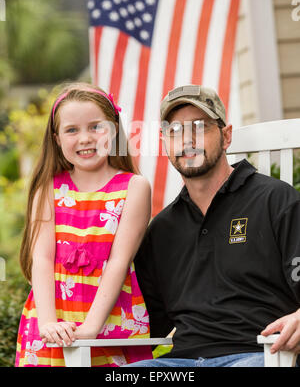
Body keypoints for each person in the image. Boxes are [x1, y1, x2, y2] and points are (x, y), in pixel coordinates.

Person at [127, 84, 300, 368]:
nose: (187, 140)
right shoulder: (162, 230)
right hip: (182, 364)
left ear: (226, 135)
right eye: (175, 131)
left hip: (259, 356)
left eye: (199, 127)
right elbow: (144, 323)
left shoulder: (274, 200)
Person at [15, 82, 153, 367]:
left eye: (95, 127)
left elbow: (118, 260)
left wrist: (91, 328)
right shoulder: (48, 189)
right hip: (52, 321)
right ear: (56, 138)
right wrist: (48, 323)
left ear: (114, 130)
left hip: (110, 319)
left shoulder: (133, 188)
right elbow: (41, 258)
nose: (85, 138)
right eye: (72, 130)